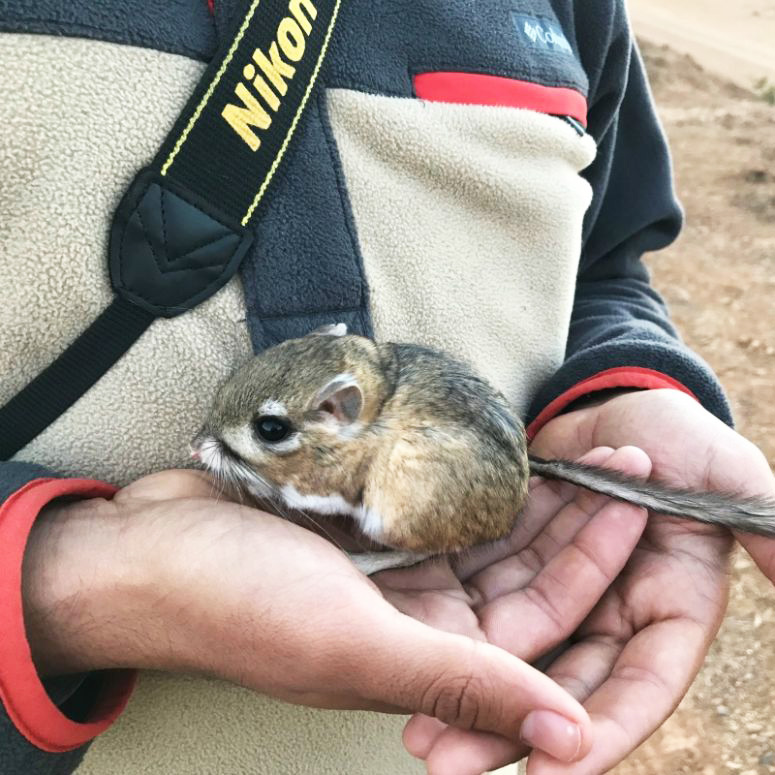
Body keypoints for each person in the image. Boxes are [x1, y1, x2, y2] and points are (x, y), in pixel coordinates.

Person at [1, 1, 773, 774]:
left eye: (267, 435)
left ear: (341, 409)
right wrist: (55, 580)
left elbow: (603, 267)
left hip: (443, 732)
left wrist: (620, 390)